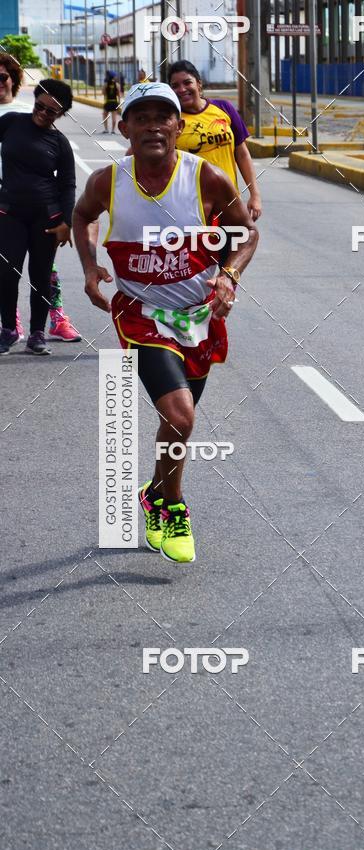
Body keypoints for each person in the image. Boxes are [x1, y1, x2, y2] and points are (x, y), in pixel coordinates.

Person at [73, 83, 258, 563]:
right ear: (125, 128)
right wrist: (91, 267)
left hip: (198, 316)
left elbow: (246, 232)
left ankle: (156, 490)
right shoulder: (107, 181)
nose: (153, 124)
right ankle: (172, 506)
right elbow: (82, 217)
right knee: (181, 416)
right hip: (140, 314)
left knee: (175, 424)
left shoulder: (207, 178)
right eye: (141, 117)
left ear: (179, 126)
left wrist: (229, 275)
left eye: (164, 116)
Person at [0, 55, 79, 343]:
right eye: (40, 106)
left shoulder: (59, 143)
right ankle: (8, 329)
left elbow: (68, 185)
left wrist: (67, 223)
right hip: (9, 213)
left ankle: (37, 333)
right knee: (7, 273)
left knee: (41, 277)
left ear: (61, 114)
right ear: (34, 100)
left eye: (52, 111)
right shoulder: (11, 123)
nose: (43, 113)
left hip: (47, 219)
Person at [168, 60, 262, 221]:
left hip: (230, 202)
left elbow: (242, 154)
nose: (182, 89)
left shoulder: (224, 108)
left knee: (237, 244)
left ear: (198, 84)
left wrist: (255, 195)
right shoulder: (171, 121)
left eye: (187, 82)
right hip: (191, 208)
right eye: (175, 86)